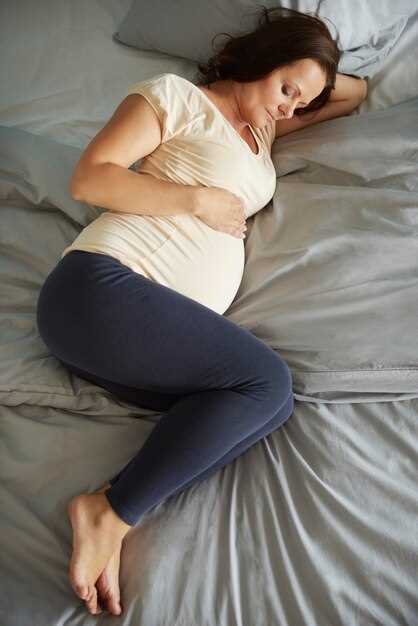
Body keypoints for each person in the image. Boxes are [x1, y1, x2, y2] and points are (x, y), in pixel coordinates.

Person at [36, 5, 366, 617]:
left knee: (257, 408)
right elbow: (90, 178)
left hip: (134, 333)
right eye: (285, 88)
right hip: (100, 287)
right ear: (260, 61)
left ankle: (111, 505)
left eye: (300, 102)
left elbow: (354, 94)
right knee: (266, 384)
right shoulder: (179, 98)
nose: (289, 108)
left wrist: (311, 74)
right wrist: (198, 200)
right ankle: (109, 514)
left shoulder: (264, 134)